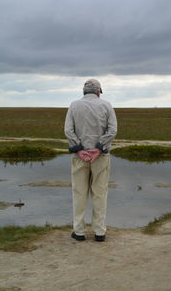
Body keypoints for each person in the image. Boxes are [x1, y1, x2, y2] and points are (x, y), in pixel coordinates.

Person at [64, 79, 117, 242]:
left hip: (79, 158)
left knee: (79, 193)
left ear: (84, 91)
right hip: (100, 157)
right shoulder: (107, 105)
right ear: (98, 91)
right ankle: (99, 232)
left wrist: (79, 149)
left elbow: (68, 130)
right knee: (100, 194)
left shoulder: (74, 105)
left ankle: (79, 232)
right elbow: (112, 130)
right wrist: (99, 148)